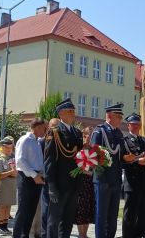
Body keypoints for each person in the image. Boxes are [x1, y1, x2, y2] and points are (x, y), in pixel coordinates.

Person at [44, 98, 84, 237]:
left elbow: (80, 156)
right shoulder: (55, 132)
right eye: (70, 111)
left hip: (74, 184)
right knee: (54, 220)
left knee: (68, 220)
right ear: (61, 114)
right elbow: (49, 161)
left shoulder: (77, 133)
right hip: (60, 184)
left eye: (73, 111)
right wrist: (52, 186)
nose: (74, 114)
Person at [91, 103, 126, 238]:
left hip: (115, 179)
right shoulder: (99, 131)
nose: (120, 119)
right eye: (118, 116)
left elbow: (120, 155)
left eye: (121, 116)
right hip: (102, 179)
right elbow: (94, 155)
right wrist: (101, 178)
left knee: (113, 213)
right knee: (101, 213)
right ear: (109, 116)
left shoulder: (118, 132)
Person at [13, 118, 48, 238]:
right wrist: (34, 175)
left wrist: (42, 174)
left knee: (31, 211)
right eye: (45, 128)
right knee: (23, 210)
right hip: (27, 178)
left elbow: (38, 161)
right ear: (38, 128)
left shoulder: (37, 141)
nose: (46, 130)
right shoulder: (25, 140)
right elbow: (20, 161)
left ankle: (25, 235)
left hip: (36, 177)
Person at [122, 113, 145, 238]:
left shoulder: (144, 140)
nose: (136, 126)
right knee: (130, 214)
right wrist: (137, 161)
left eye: (138, 124)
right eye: (133, 124)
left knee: (143, 213)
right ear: (128, 125)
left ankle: (142, 235)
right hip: (132, 182)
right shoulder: (125, 141)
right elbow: (123, 161)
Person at [75, 126, 96, 238]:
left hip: (91, 182)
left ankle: (85, 234)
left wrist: (93, 170)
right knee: (81, 208)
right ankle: (80, 234)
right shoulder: (78, 149)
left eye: (90, 136)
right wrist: (87, 171)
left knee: (88, 207)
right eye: (85, 135)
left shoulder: (94, 150)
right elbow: (77, 166)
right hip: (80, 182)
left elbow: (97, 165)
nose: (88, 138)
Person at [0, 137, 17, 236]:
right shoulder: (0, 159)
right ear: (2, 147)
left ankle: (5, 225)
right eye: (7, 148)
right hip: (3, 185)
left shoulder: (12, 158)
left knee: (8, 205)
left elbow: (15, 172)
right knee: (3, 205)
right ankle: (0, 226)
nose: (10, 150)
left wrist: (13, 173)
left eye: (11, 148)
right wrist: (11, 172)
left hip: (11, 184)